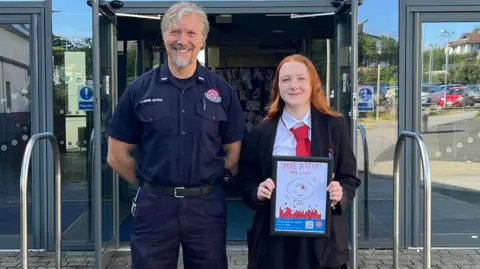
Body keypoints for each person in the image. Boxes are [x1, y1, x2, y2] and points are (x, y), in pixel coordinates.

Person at [106, 2, 245, 269]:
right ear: (163, 36)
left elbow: (234, 154)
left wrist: (205, 180)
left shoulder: (222, 91)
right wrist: (153, 185)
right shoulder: (139, 90)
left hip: (206, 207)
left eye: (191, 33)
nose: (182, 40)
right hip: (154, 208)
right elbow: (116, 155)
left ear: (203, 39)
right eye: (175, 32)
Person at [237, 54, 361, 269]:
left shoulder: (335, 126)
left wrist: (340, 193)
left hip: (324, 239)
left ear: (313, 84)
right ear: (278, 86)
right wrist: (257, 191)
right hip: (275, 241)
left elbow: (349, 177)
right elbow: (246, 180)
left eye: (301, 79)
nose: (293, 86)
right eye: (286, 80)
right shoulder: (261, 132)